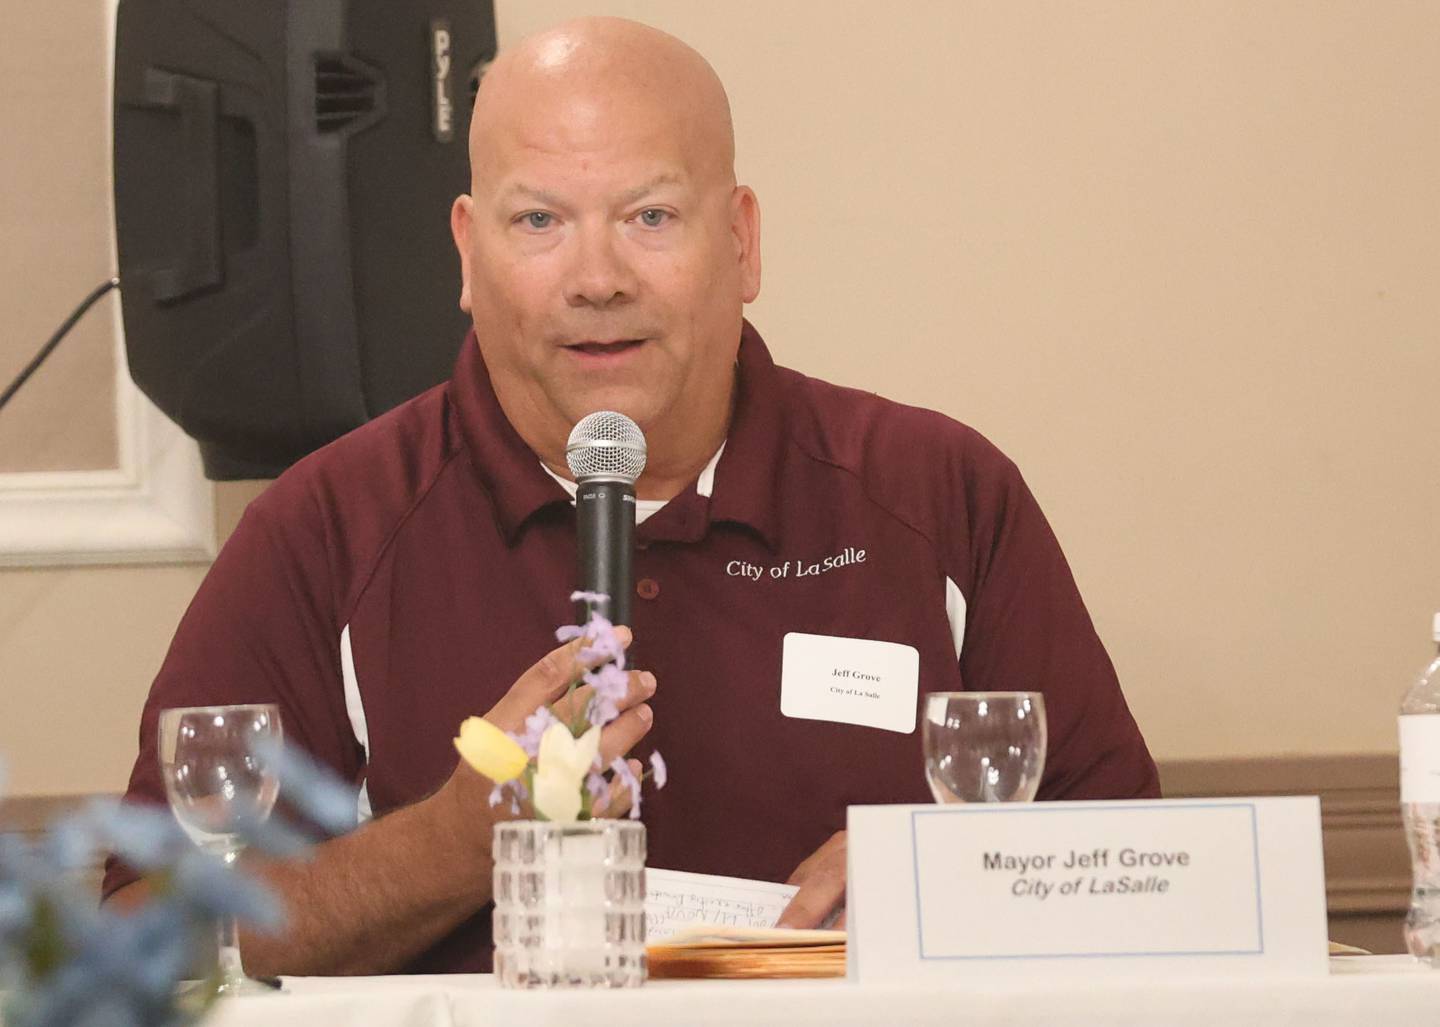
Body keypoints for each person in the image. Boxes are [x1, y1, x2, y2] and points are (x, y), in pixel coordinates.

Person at [104, 16, 1159, 974]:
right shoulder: (326, 528)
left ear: (741, 242)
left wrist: (943, 880)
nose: (597, 276)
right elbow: (138, 934)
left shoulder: (937, 493)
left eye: (651, 215)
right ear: (468, 255)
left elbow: (1142, 871)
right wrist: (449, 846)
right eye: (539, 222)